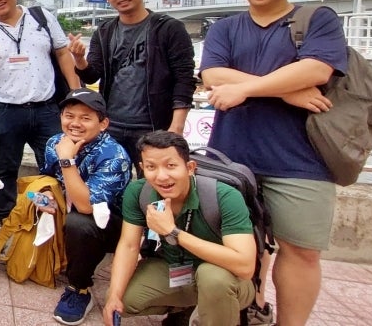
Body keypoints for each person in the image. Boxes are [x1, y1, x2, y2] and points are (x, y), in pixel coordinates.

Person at [200, 0, 347, 326]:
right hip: (230, 156)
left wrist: (244, 88)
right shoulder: (226, 28)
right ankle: (252, 306)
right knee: (235, 242)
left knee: (300, 251)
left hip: (302, 160)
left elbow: (317, 70)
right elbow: (213, 75)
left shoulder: (317, 19)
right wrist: (287, 89)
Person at [102, 131, 257, 326]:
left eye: (171, 166)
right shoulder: (139, 192)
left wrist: (172, 232)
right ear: (142, 168)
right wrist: (114, 296)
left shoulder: (224, 196)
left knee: (212, 279)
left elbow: (245, 266)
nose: (161, 176)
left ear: (190, 167)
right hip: (177, 270)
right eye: (151, 167)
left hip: (227, 278)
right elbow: (129, 246)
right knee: (122, 298)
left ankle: (217, 312)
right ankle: (186, 308)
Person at [0, 0, 79, 221]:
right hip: (6, 110)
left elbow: (62, 53)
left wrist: (75, 94)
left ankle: (55, 214)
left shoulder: (41, 17)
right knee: (5, 168)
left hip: (46, 107)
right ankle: (5, 218)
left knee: (55, 164)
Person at [67, 0, 196, 171]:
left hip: (153, 125)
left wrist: (176, 127)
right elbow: (92, 75)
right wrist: (79, 58)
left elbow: (185, 79)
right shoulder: (105, 31)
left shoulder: (168, 29)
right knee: (110, 184)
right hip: (112, 125)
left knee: (157, 185)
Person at [39, 88, 132, 325]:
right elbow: (44, 182)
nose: (75, 123)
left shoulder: (114, 156)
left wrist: (67, 160)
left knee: (79, 223)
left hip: (112, 224)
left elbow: (87, 207)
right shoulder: (54, 142)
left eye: (85, 118)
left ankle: (79, 288)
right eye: (69, 115)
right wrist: (40, 200)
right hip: (69, 208)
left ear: (103, 124)